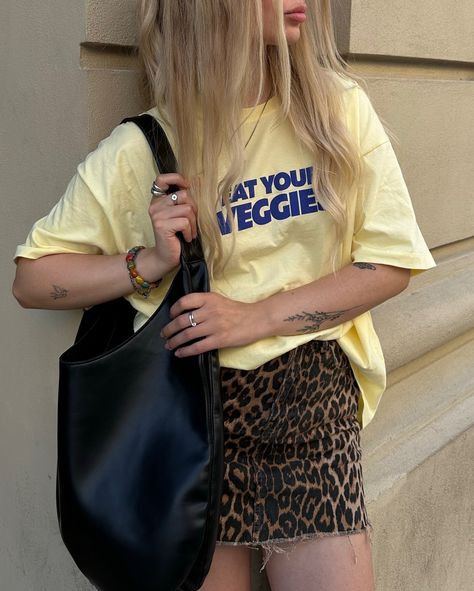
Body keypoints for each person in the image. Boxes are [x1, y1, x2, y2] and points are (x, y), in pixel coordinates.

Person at [13, 1, 435, 590]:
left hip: (311, 408)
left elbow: (389, 263)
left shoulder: (336, 113)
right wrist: (150, 262)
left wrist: (254, 317)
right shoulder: (146, 146)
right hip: (196, 421)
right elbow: (32, 279)